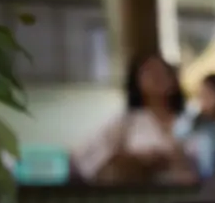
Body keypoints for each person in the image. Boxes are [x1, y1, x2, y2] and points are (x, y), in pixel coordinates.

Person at [72, 52, 195, 184]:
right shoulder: (127, 122)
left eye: (163, 72)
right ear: (137, 81)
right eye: (149, 72)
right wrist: (136, 161)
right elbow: (88, 157)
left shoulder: (192, 118)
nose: (157, 77)